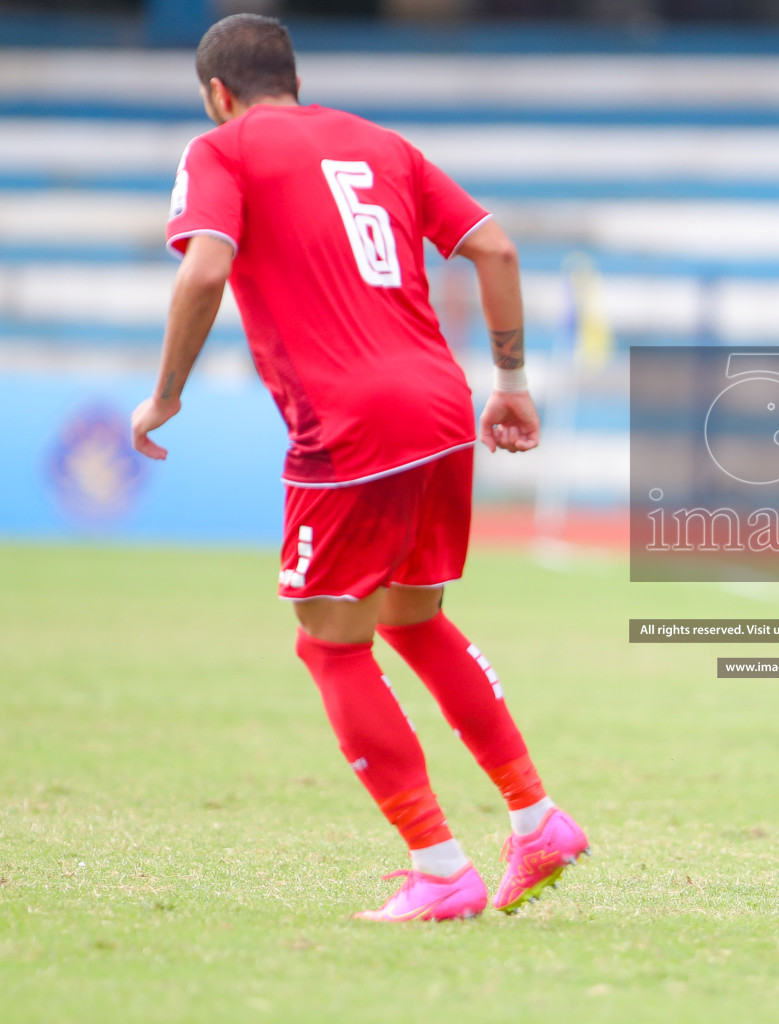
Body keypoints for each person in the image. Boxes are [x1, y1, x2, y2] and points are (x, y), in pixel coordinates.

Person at [131, 14, 587, 922]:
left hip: (348, 425)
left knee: (329, 642)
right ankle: (536, 820)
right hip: (442, 405)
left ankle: (438, 865)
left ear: (218, 93)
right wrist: (512, 382)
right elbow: (495, 246)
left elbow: (203, 270)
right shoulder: (382, 143)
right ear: (291, 79)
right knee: (412, 619)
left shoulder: (221, 149)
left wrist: (166, 393)